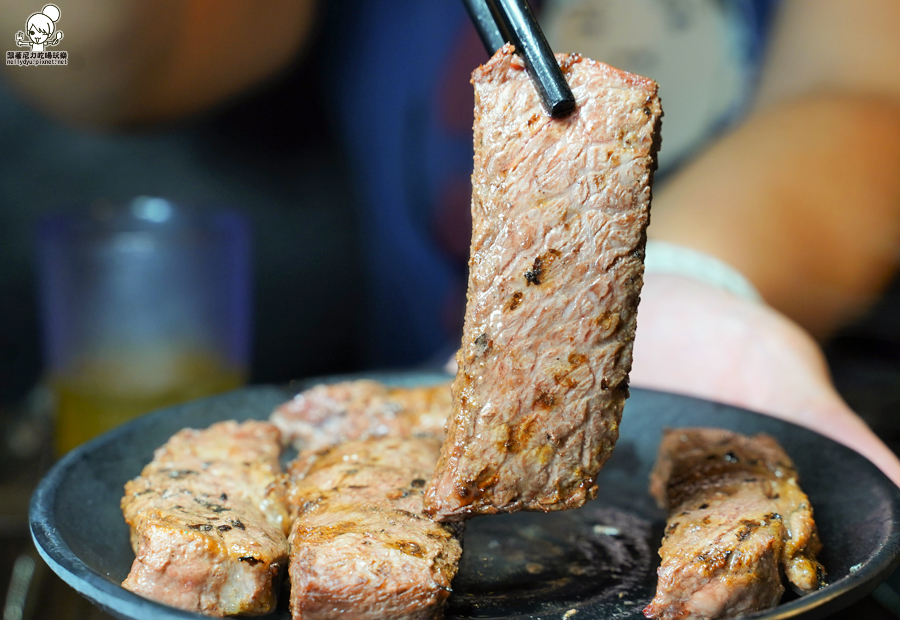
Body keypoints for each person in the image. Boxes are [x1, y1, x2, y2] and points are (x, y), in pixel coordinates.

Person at [2, 0, 900, 485]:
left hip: (726, 393)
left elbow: (867, 89)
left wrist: (676, 282)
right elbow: (81, 61)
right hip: (391, 429)